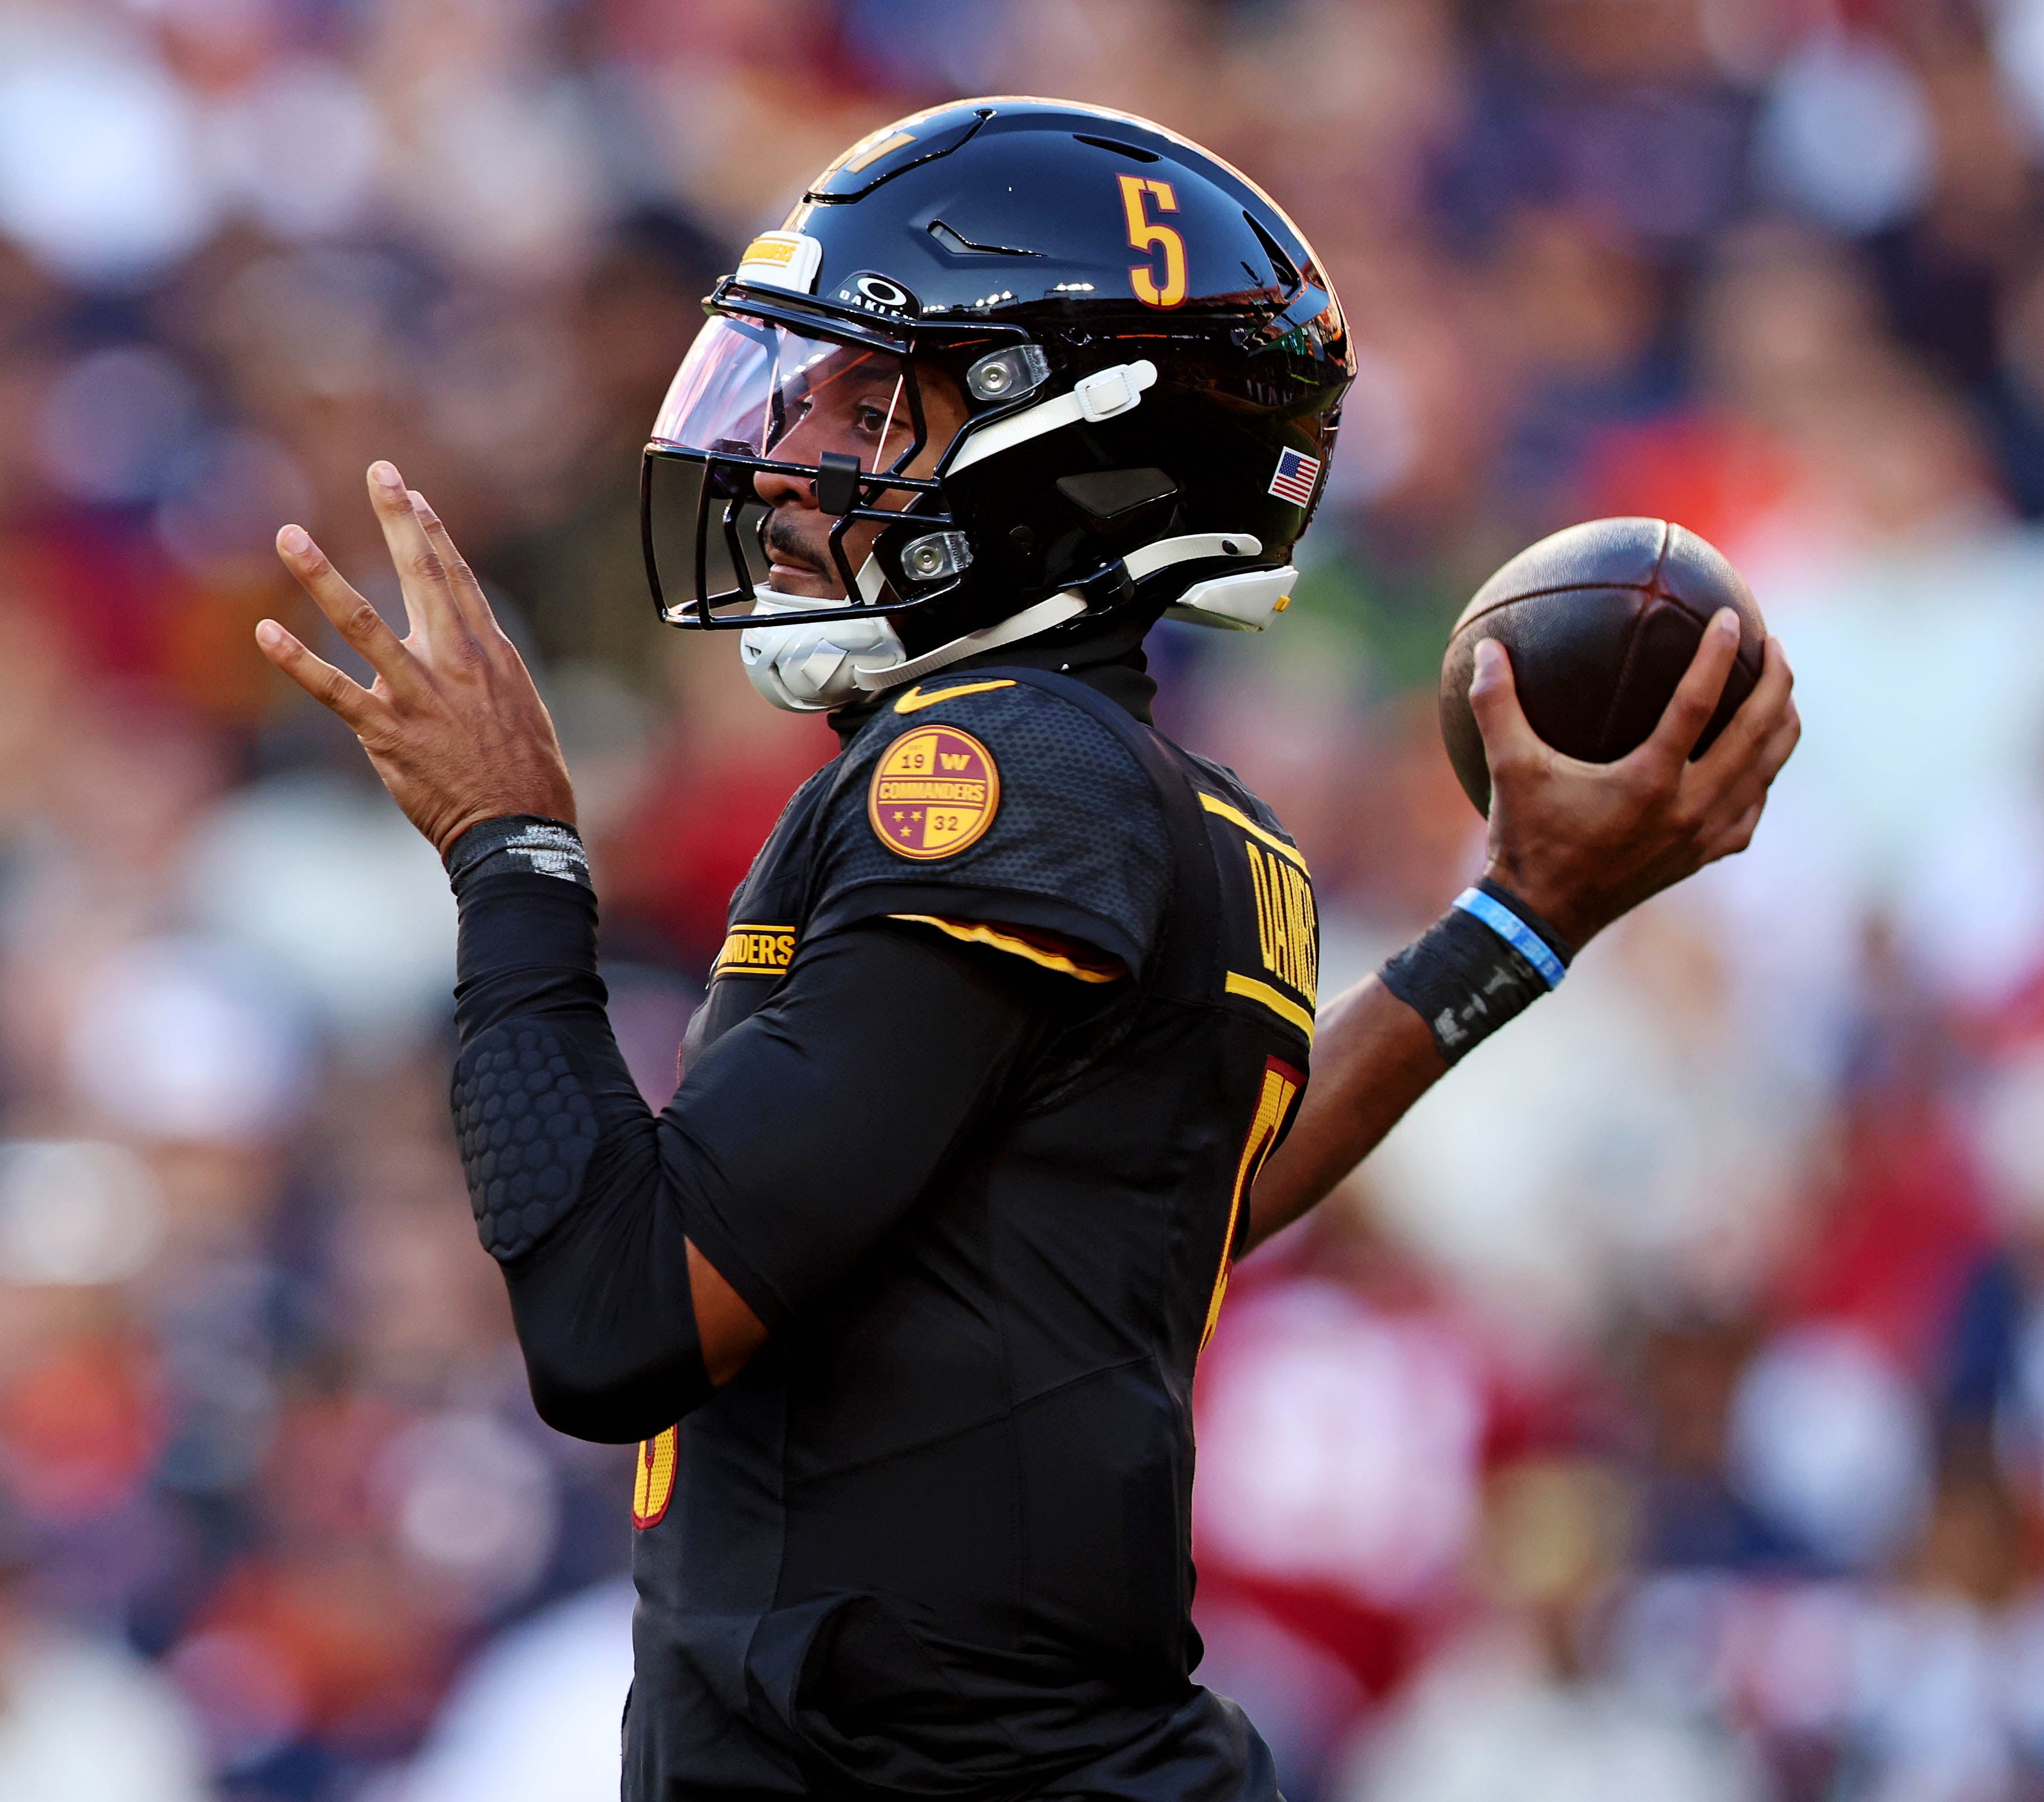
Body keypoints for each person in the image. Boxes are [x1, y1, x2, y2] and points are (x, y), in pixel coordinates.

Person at [256, 98, 1799, 1802]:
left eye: (871, 404)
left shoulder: (996, 775)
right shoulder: (1175, 809)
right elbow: (1182, 1206)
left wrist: (513, 851)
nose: (791, 452)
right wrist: (1520, 919)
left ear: (1067, 444)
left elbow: (616, 1321)